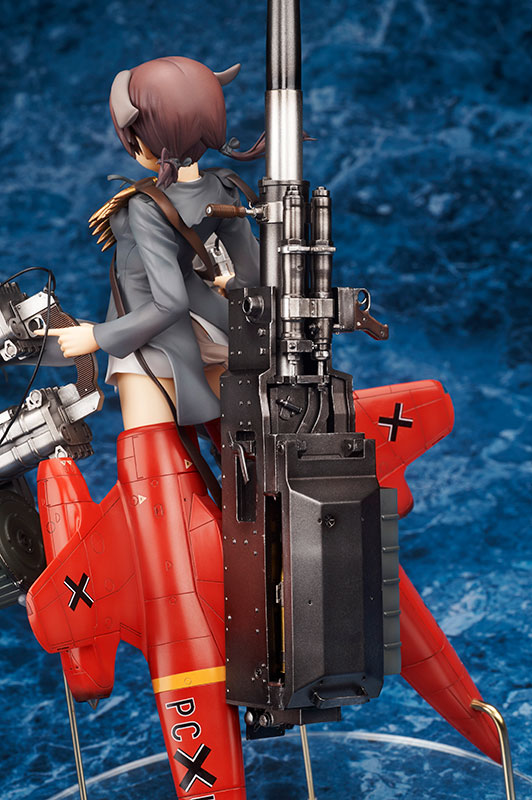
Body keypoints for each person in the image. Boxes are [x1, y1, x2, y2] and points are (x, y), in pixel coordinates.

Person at [45, 55, 262, 430]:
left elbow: (168, 301)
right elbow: (253, 274)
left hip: (147, 336)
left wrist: (96, 336)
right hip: (211, 325)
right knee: (235, 443)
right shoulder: (224, 187)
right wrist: (231, 286)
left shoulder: (147, 206)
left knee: (151, 456)